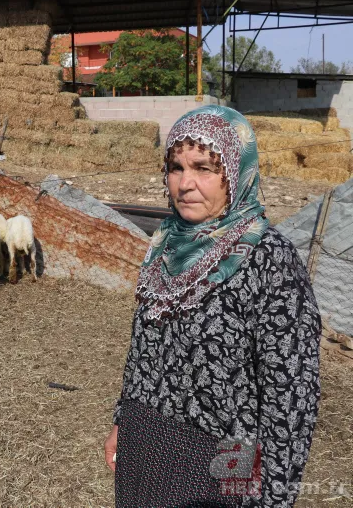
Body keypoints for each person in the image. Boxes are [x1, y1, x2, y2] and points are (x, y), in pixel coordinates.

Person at [103, 105, 321, 507]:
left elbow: (291, 397)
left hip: (225, 455)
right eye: (176, 167)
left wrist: (273, 498)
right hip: (145, 443)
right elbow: (142, 353)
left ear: (236, 173)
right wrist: (122, 421)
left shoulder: (269, 260)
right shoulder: (167, 245)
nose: (185, 184)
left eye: (203, 168)